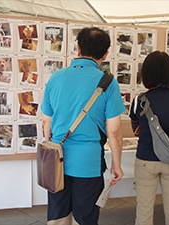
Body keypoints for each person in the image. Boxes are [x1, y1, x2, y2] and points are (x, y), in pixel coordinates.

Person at [41, 27, 125, 225]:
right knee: (85, 217)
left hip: (57, 160)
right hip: (88, 163)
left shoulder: (56, 77)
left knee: (58, 215)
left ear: (77, 48)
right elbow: (114, 130)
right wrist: (116, 163)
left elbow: (47, 121)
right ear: (105, 54)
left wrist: (51, 146)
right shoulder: (108, 82)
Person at [129, 51, 169, 225]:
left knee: (144, 211)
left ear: (146, 73)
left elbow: (135, 125)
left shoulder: (139, 100)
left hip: (146, 159)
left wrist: (142, 128)